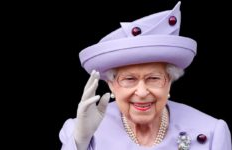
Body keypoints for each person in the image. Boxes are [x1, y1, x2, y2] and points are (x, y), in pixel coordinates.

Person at [59, 1, 231, 150]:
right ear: (111, 84)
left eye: (154, 78)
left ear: (169, 81)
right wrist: (80, 142)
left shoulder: (211, 131)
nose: (141, 92)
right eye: (129, 79)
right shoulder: (79, 131)